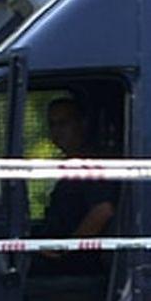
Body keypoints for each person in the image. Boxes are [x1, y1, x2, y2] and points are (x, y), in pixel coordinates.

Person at [33, 97, 118, 275]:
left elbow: (103, 210)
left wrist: (65, 249)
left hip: (77, 263)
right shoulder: (71, 164)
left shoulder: (91, 165)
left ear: (83, 124)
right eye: (52, 125)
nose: (57, 131)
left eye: (63, 123)